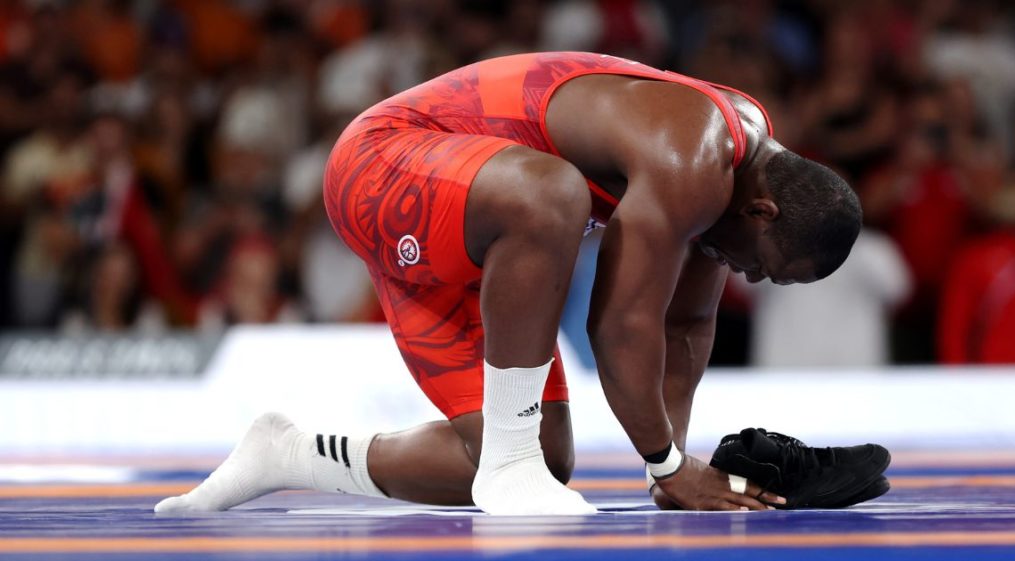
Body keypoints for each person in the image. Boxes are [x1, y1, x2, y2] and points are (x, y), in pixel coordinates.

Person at [156, 52, 861, 516]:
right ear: (763, 210)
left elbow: (683, 325)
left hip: (470, 235)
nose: (750, 275)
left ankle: (289, 452)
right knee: (554, 194)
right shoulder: (695, 154)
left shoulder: (736, 178)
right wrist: (670, 462)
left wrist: (668, 472)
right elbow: (618, 326)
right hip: (383, 164)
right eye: (765, 265)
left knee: (545, 460)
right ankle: (510, 461)